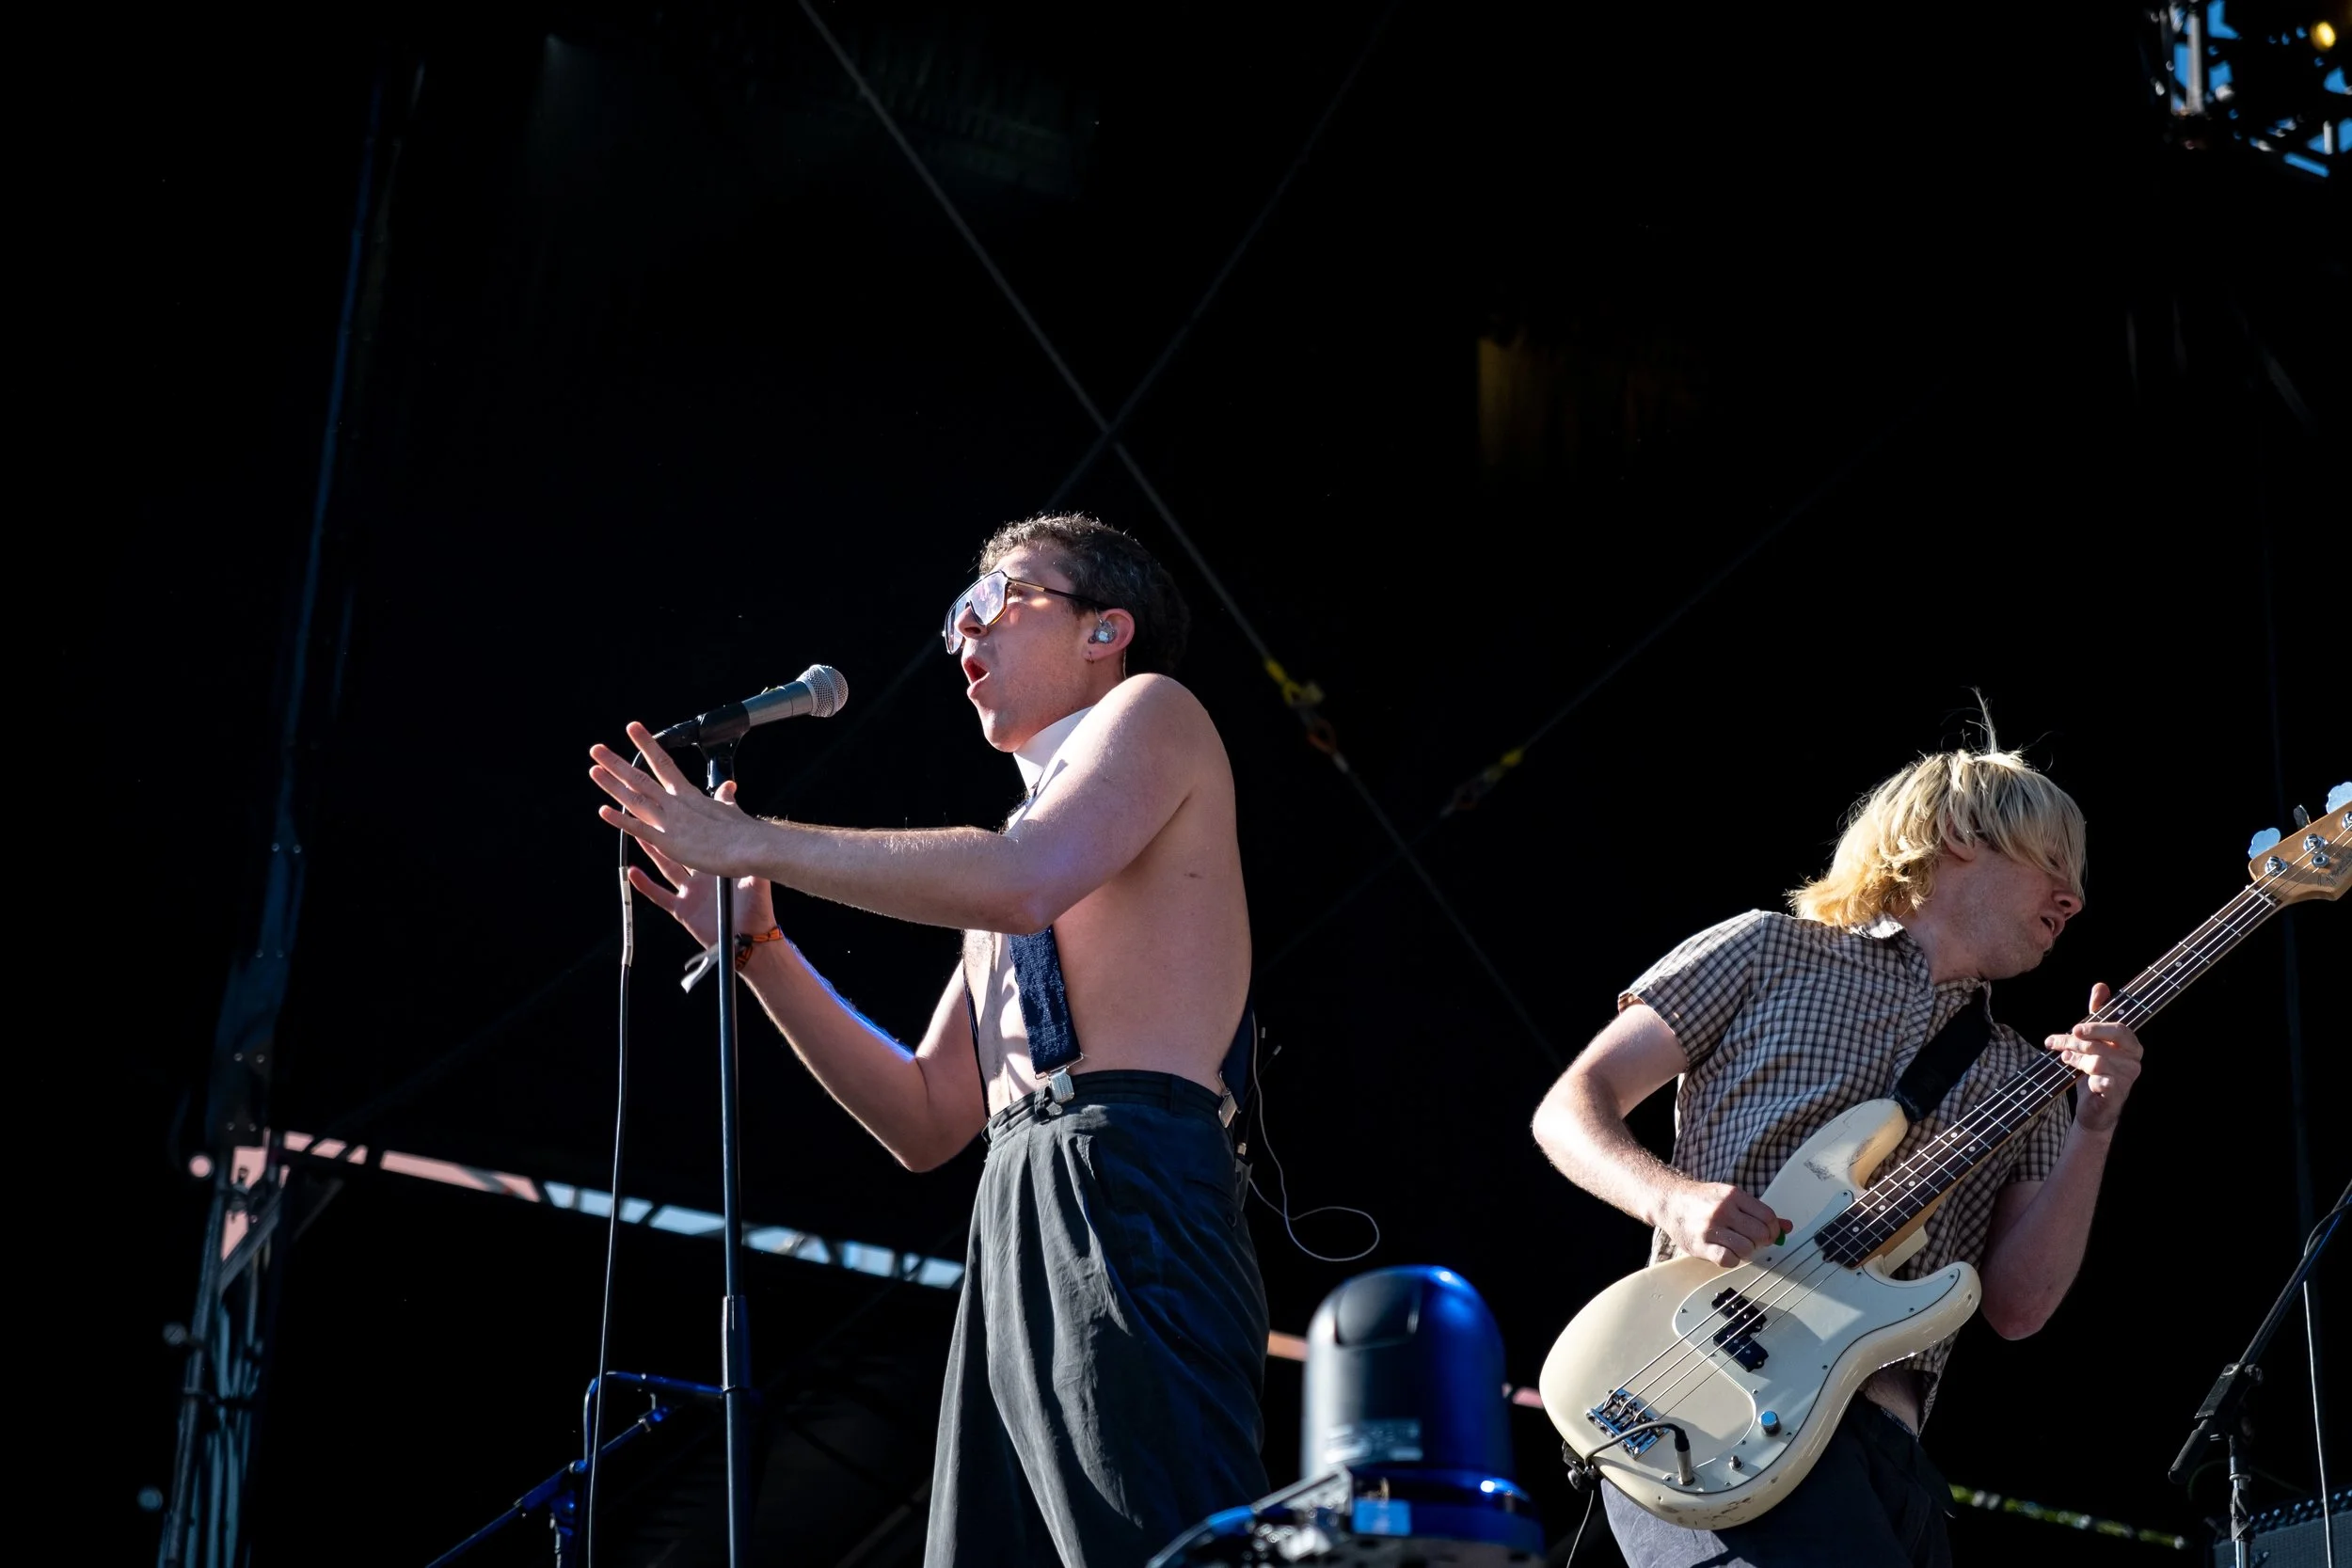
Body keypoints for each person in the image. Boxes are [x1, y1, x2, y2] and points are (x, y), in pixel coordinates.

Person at [588, 514, 1267, 1568]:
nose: (964, 637)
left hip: (1127, 1169)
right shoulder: (1012, 851)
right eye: (957, 618)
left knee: (1153, 1536)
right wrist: (759, 944)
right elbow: (924, 1117)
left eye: (996, 601)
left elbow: (1024, 878)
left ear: (1105, 628)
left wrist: (750, 840)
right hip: (1016, 1196)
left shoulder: (1152, 712)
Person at [1530, 742, 2147, 1568]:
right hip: (1712, 1405)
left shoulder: (2024, 1076)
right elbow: (1571, 1107)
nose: (2072, 898)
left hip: (1890, 1459)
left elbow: (2018, 1306)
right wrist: (1672, 1199)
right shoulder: (1764, 950)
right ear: (1958, 835)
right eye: (2049, 863)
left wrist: (2094, 1127)